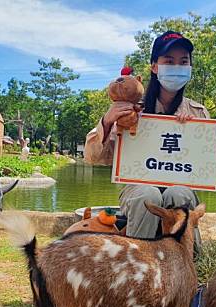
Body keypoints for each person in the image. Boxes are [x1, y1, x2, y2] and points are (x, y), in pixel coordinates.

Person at [84, 31, 208, 245]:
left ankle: (190, 262)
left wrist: (191, 132)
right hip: (137, 189)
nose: (177, 67)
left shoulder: (198, 113)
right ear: (154, 67)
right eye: (169, 61)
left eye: (183, 61)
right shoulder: (131, 111)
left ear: (190, 67)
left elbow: (206, 165)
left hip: (182, 185)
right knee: (147, 195)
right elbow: (93, 158)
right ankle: (136, 268)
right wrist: (107, 121)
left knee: (178, 193)